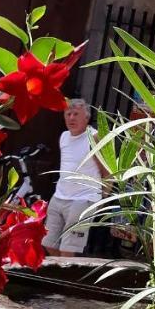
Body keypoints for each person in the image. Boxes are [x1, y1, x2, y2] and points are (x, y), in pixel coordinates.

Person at [44, 99, 105, 257]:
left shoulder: (94, 137)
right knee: (48, 243)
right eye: (68, 114)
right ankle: (59, 275)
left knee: (68, 249)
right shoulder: (63, 137)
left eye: (76, 114)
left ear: (86, 117)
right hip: (59, 196)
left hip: (83, 199)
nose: (71, 118)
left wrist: (101, 200)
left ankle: (60, 278)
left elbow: (106, 172)